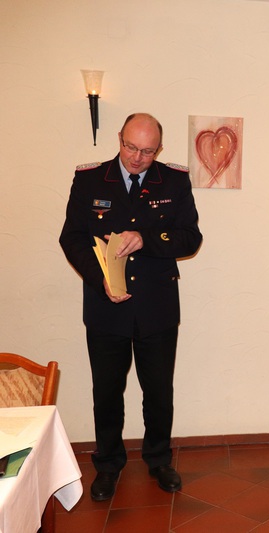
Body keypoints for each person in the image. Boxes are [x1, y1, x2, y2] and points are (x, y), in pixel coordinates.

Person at [60, 113, 202, 501]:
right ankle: (108, 464)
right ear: (119, 138)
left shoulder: (173, 180)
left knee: (158, 391)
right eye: (131, 147)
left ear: (160, 149)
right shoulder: (90, 179)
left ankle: (159, 459)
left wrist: (146, 238)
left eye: (148, 151)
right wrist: (100, 278)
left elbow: (190, 237)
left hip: (157, 306)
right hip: (106, 307)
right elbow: (71, 238)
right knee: (107, 391)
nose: (138, 158)